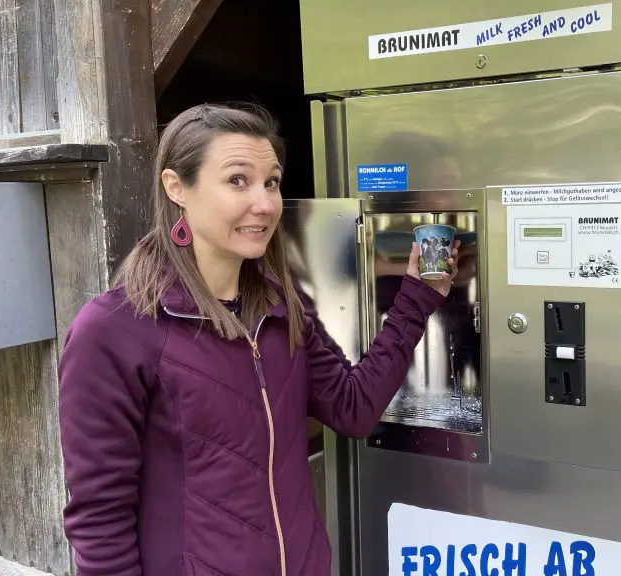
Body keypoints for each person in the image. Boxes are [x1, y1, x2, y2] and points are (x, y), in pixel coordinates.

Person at [56, 102, 458, 576]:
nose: (265, 204)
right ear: (176, 187)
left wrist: (414, 301)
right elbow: (100, 521)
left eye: (271, 181)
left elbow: (353, 409)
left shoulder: (283, 307)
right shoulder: (115, 329)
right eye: (237, 181)